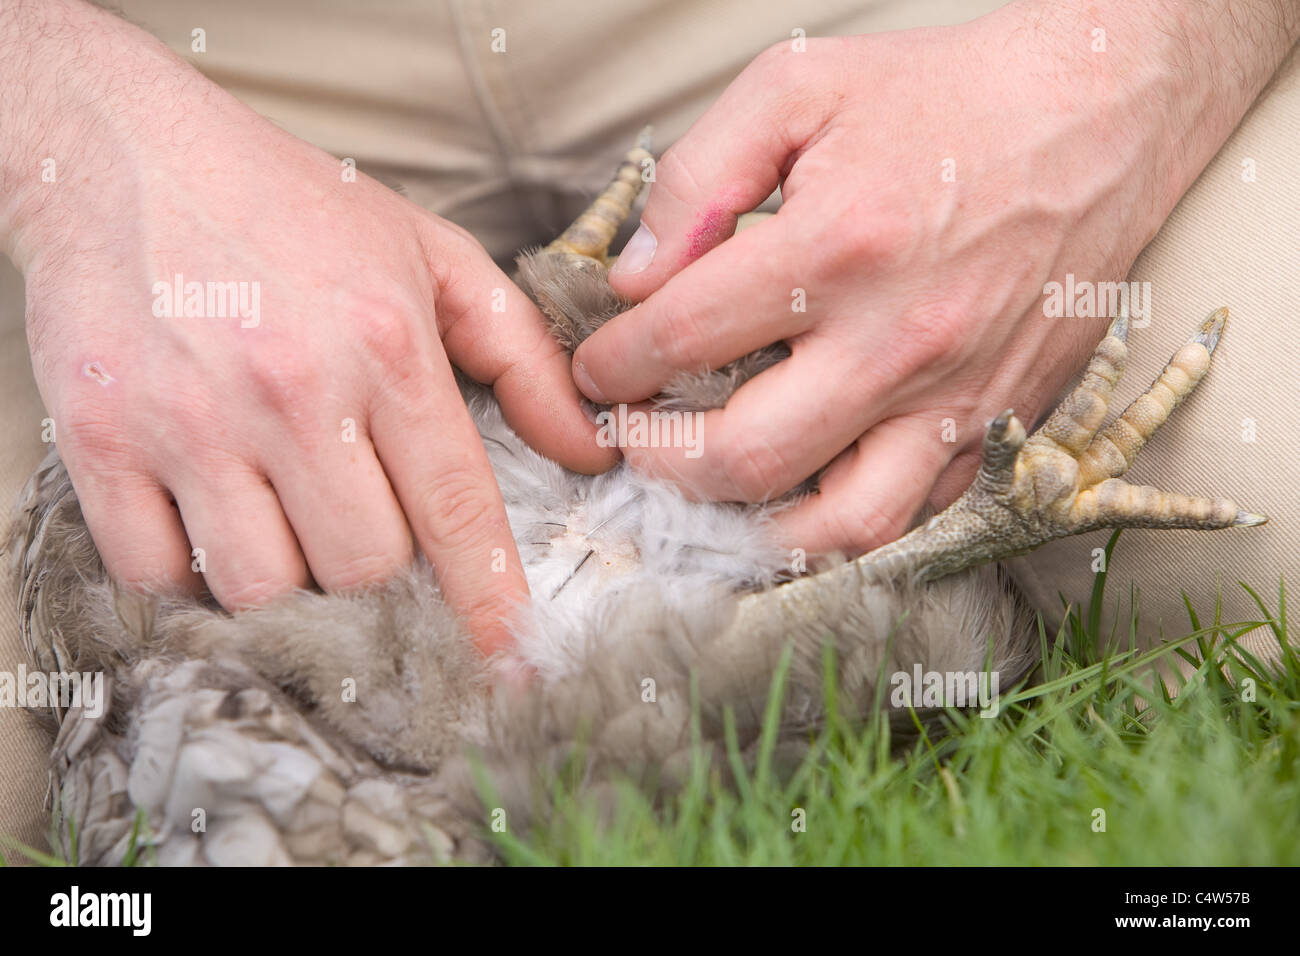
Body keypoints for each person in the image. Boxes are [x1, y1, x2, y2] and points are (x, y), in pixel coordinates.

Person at [1, 0, 1296, 854]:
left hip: (885, 29)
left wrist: (1146, 58)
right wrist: (73, 132)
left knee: (1266, 492)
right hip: (159, 58)